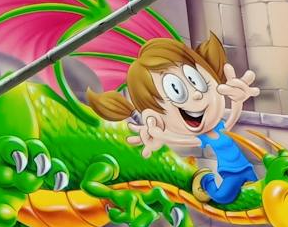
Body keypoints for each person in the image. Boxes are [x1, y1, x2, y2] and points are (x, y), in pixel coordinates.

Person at [87, 35, 262, 206]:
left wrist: (238, 99)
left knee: (257, 192)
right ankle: (205, 181)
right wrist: (159, 135)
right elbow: (183, 140)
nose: (196, 94)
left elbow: (232, 119)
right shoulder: (203, 138)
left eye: (196, 81)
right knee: (223, 196)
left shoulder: (221, 127)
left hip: (245, 167)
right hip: (229, 172)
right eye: (176, 90)